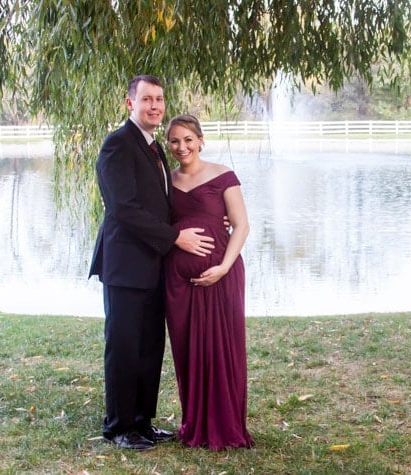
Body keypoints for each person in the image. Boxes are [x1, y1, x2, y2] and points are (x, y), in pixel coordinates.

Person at [89, 76, 216, 451]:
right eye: (147, 99)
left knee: (149, 347)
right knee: (125, 346)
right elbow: (124, 208)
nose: (155, 106)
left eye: (159, 99)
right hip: (126, 266)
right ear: (131, 104)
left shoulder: (155, 147)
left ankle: (143, 422)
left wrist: (213, 220)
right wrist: (176, 238)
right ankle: (119, 426)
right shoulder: (118, 145)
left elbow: (165, 205)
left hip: (153, 266)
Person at [163, 114, 254, 450]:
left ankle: (226, 426)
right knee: (188, 351)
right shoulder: (165, 181)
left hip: (221, 277)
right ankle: (195, 424)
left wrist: (223, 268)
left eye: (188, 139)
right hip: (178, 283)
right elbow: (158, 225)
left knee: (223, 350)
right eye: (174, 140)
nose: (182, 147)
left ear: (201, 140)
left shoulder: (223, 176)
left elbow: (242, 226)